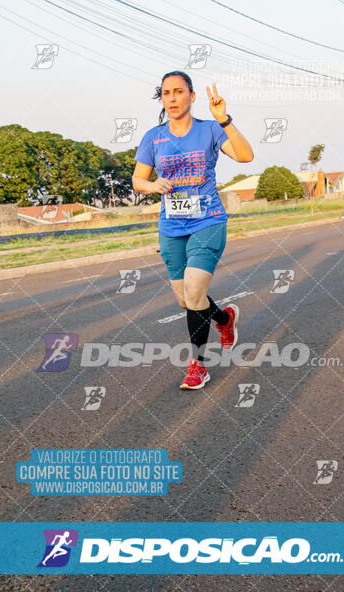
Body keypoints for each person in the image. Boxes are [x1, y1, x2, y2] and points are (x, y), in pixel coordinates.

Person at [133, 71, 253, 390]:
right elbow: (138, 180)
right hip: (171, 226)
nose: (171, 98)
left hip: (208, 220)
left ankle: (198, 365)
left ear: (191, 96)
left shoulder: (210, 129)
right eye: (166, 93)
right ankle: (224, 320)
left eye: (178, 91)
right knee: (186, 299)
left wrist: (224, 119)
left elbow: (245, 156)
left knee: (195, 288)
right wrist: (151, 184)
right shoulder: (153, 138)